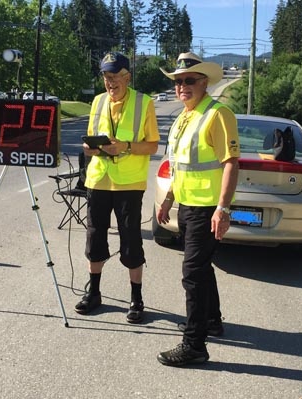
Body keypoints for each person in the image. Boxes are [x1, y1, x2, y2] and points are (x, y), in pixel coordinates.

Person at [156, 52, 240, 366]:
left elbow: (231, 163)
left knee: (192, 273)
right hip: (187, 206)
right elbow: (180, 167)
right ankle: (212, 321)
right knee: (201, 269)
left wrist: (223, 208)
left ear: (204, 82)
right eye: (178, 81)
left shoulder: (218, 114)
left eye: (189, 80)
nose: (182, 86)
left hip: (207, 208)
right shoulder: (184, 117)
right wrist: (168, 200)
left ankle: (194, 345)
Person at [75, 52, 160, 324]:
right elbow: (88, 146)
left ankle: (136, 299)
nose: (110, 82)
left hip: (129, 183)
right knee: (95, 237)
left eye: (115, 77)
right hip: (99, 179)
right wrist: (90, 148)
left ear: (127, 77)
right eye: (105, 76)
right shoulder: (98, 102)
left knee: (131, 240)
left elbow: (153, 145)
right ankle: (95, 292)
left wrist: (124, 146)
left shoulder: (144, 103)